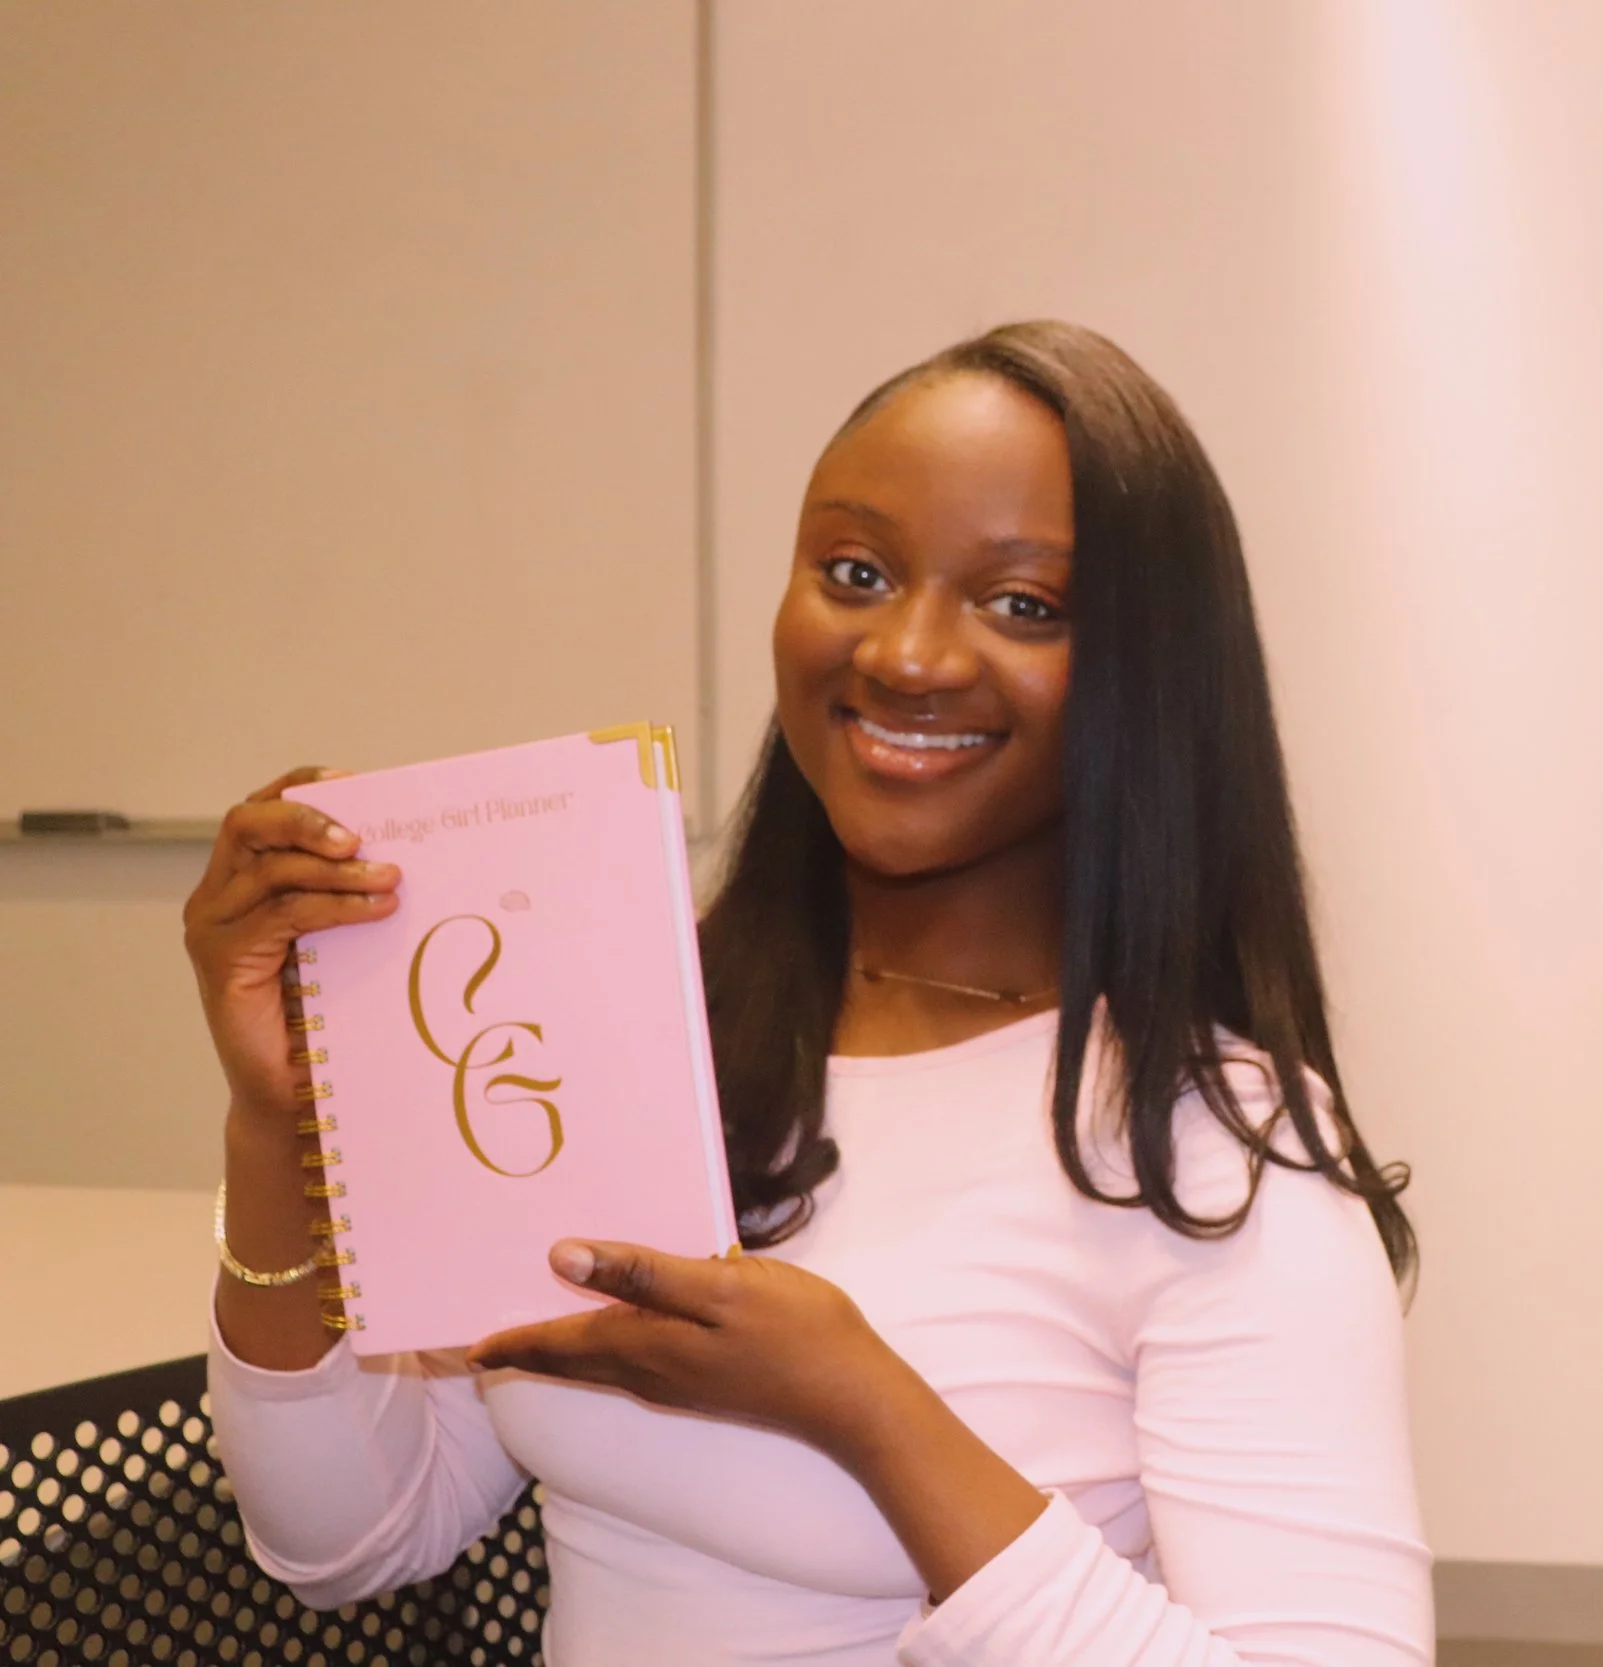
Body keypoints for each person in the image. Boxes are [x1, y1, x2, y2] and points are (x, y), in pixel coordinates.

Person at [184, 321, 1434, 1664]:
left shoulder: (1203, 1142)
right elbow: (350, 1542)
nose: (906, 653)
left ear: (1150, 674)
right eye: (856, 570)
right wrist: (280, 1129)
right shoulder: (645, 1015)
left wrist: (862, 1405)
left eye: (1024, 604)